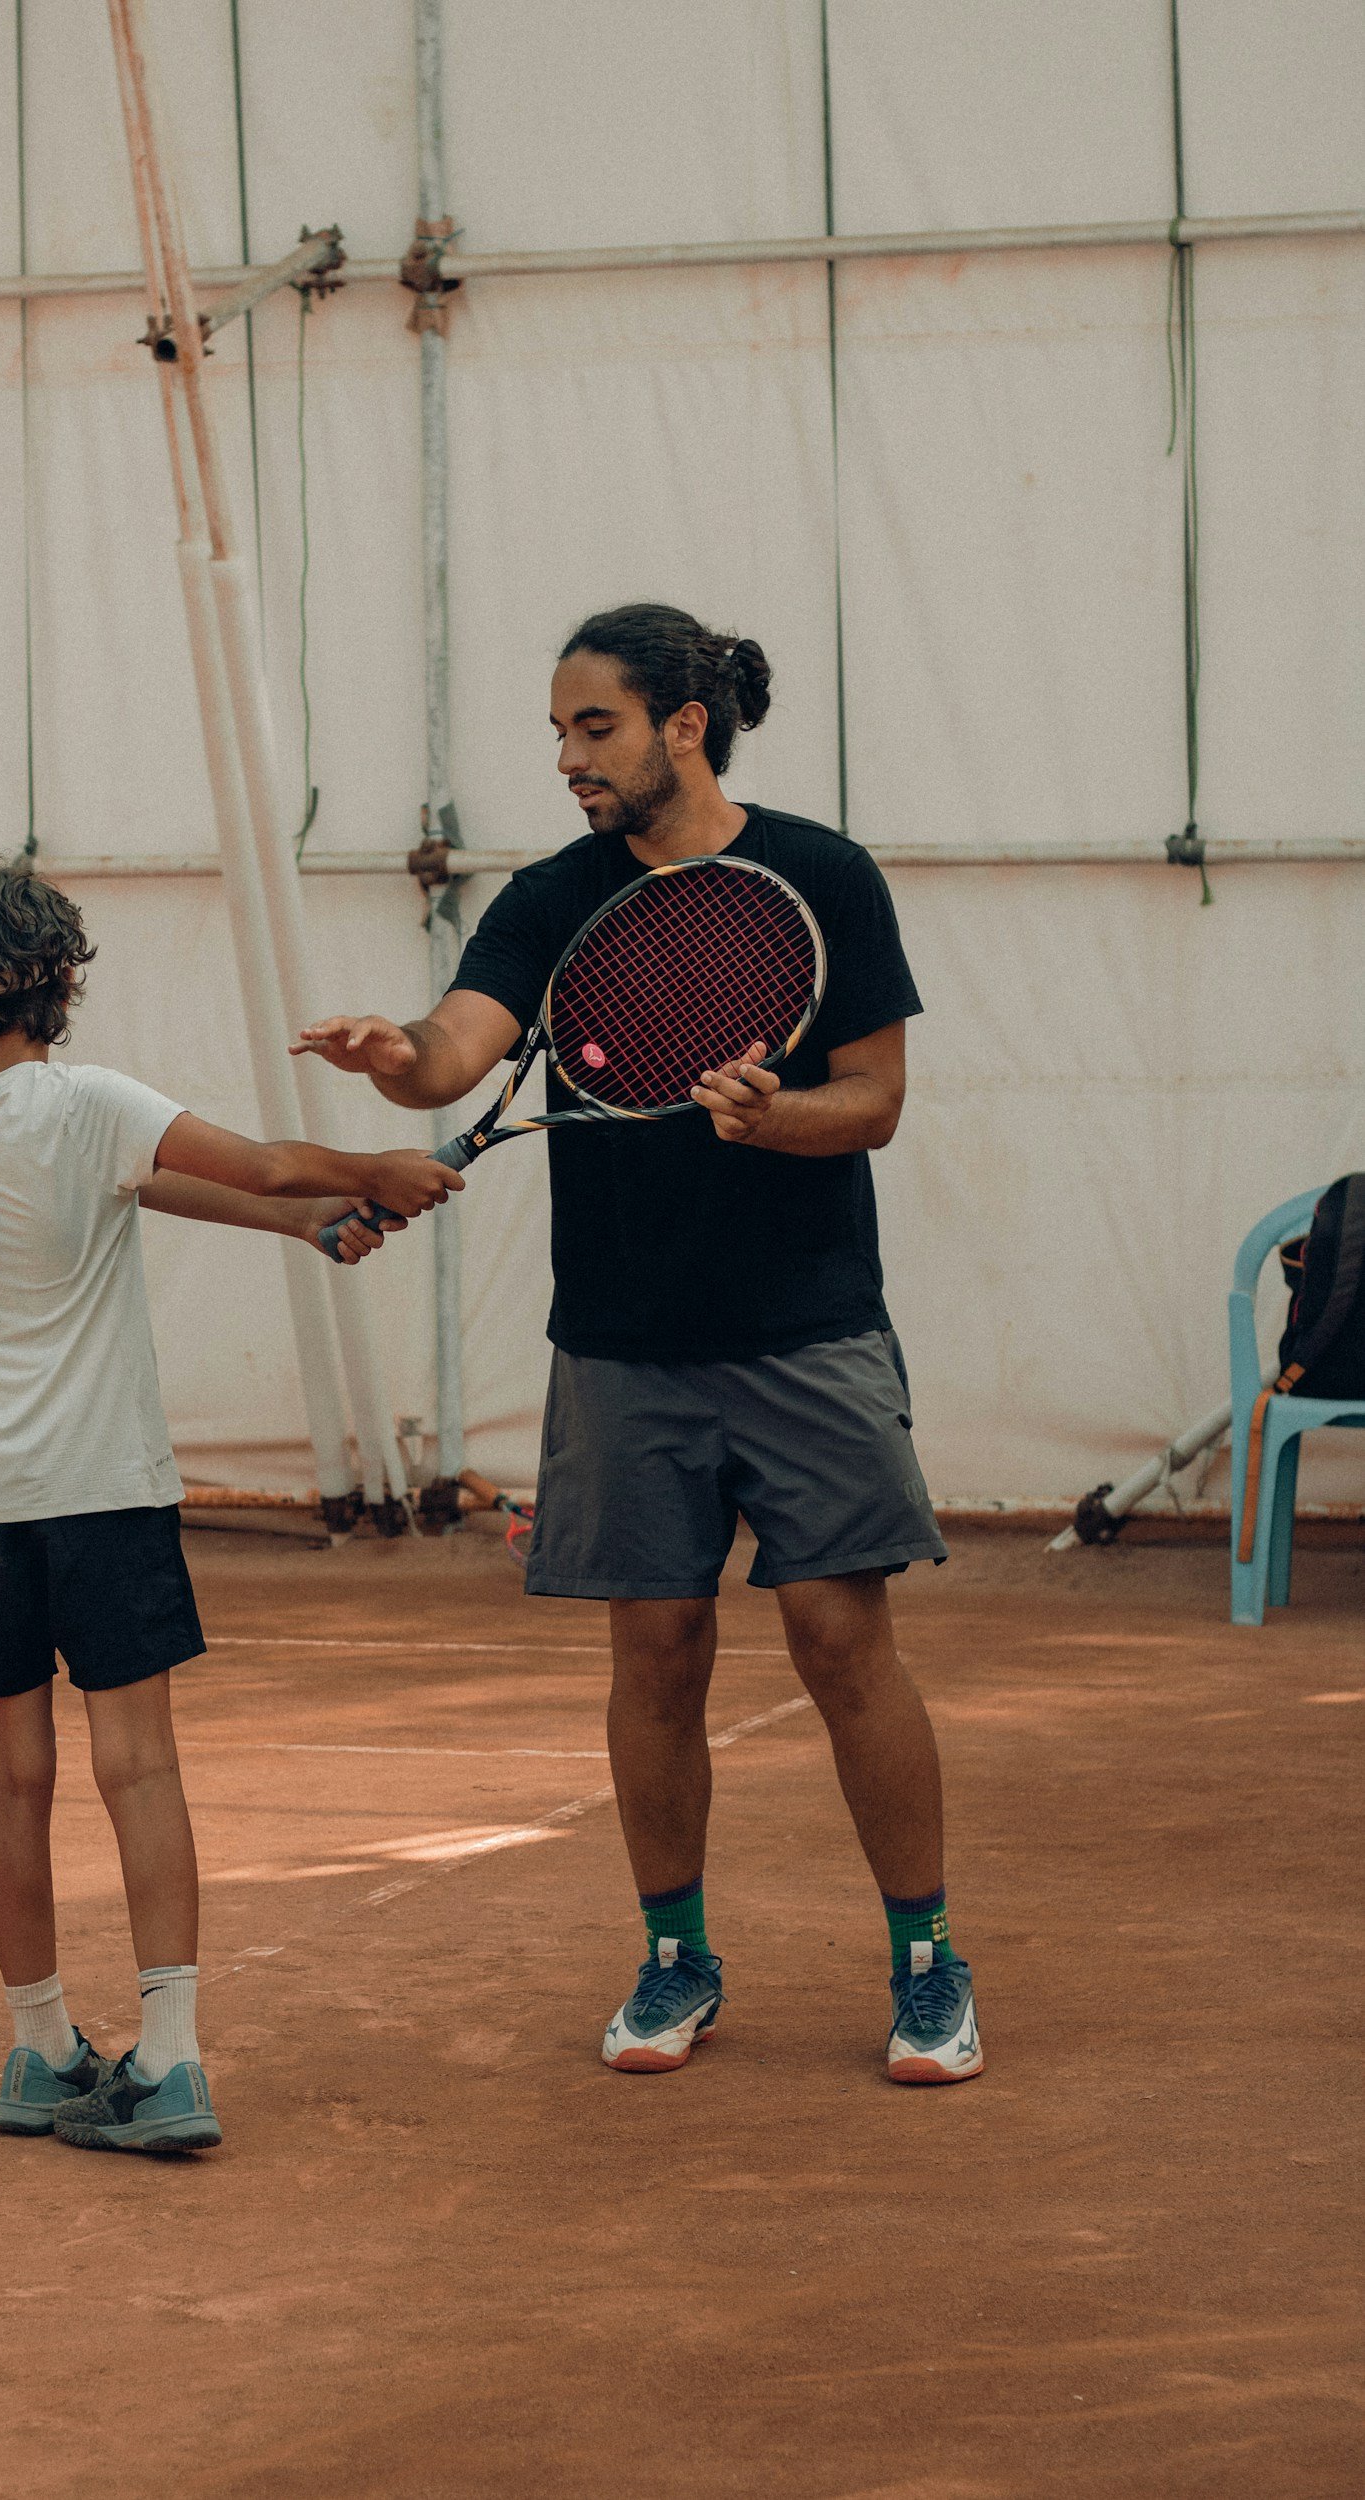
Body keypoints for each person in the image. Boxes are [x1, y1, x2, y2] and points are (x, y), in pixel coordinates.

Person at [293, 603, 980, 2088]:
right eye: (555, 730)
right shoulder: (554, 900)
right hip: (619, 1342)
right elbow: (455, 1050)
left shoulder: (822, 877)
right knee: (656, 1649)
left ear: (684, 724)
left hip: (806, 1329)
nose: (565, 757)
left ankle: (927, 1962)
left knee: (839, 1638)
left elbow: (873, 1098)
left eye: (591, 726)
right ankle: (677, 1958)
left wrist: (774, 1119)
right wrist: (393, 1059)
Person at [0, 859, 453, 2153]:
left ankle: (39, 2054)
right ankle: (170, 2061)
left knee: (11, 1780)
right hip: (103, 1494)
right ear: (66, 981)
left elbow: (149, 1185)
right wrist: (371, 1164)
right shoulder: (88, 1098)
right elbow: (254, 1160)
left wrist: (316, 1221)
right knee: (138, 1767)